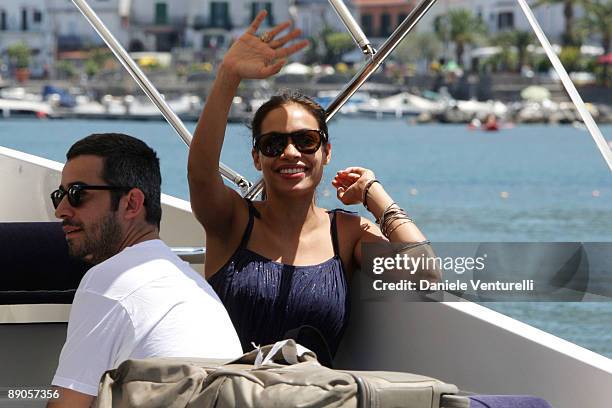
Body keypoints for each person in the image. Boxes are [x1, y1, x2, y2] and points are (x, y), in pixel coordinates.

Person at [188, 11, 439, 364]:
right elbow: (201, 175)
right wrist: (228, 77)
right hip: (232, 394)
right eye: (274, 144)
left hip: (316, 397)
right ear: (258, 158)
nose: (290, 152)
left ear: (326, 152)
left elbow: (424, 271)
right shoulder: (232, 221)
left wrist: (373, 192)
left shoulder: (347, 232)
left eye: (305, 140)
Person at [48, 134, 242, 408]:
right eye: (60, 195)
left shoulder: (110, 281)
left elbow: (65, 405)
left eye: (77, 193)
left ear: (131, 204)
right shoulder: (186, 281)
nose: (61, 210)